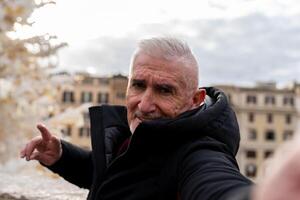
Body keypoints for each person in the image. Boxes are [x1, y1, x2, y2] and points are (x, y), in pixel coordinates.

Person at [21, 36, 253, 200]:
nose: (144, 104)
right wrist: (61, 155)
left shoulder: (198, 153)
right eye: (138, 85)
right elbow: (111, 175)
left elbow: (217, 184)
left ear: (195, 99)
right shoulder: (136, 136)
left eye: (165, 90)